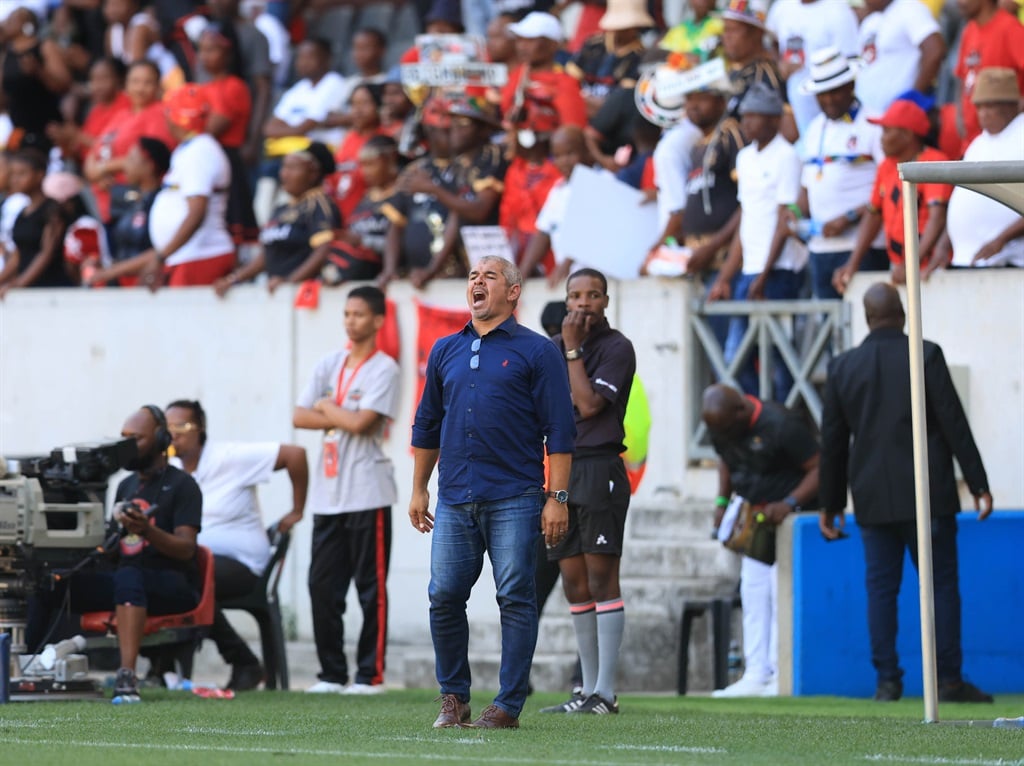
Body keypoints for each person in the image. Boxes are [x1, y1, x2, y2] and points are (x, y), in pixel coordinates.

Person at [409, 255, 576, 729]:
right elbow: (427, 424)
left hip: (517, 497)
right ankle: (453, 698)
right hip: (454, 497)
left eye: (490, 276)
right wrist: (419, 488)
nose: (477, 282)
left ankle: (507, 706)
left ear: (514, 292)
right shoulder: (445, 350)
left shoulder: (538, 351)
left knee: (516, 597)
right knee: (443, 595)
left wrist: (556, 498)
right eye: (472, 277)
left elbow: (560, 432)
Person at [819, 282, 994, 703]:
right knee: (941, 585)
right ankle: (948, 680)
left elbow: (833, 442)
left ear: (866, 317)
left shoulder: (843, 367)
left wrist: (831, 503)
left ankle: (887, 681)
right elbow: (953, 422)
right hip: (928, 492)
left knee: (881, 589)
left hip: (872, 497)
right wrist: (978, 483)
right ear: (902, 312)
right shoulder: (925, 353)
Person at [27, 405, 203, 703]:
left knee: (129, 576)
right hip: (126, 580)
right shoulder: (126, 485)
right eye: (124, 438)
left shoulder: (183, 485)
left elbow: (187, 549)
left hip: (172, 583)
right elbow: (113, 548)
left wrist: (148, 531)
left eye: (136, 438)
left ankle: (127, 675)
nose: (127, 447)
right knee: (49, 583)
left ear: (161, 440)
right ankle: (25, 668)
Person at [294, 285, 400, 695]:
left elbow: (363, 425)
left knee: (370, 588)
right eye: (346, 314)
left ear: (377, 320)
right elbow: (299, 416)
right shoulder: (329, 362)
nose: (351, 321)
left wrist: (326, 407)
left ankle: (369, 675)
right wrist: (339, 414)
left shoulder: (384, 368)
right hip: (327, 491)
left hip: (366, 490)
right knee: (321, 585)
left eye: (359, 314)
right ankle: (331, 673)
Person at [541, 268, 635, 715]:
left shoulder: (617, 348)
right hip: (562, 471)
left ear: (605, 302)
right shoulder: (553, 349)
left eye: (593, 295)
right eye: (575, 295)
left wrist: (574, 350)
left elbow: (590, 403)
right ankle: (585, 691)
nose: (583, 304)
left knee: (602, 578)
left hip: (599, 469)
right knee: (574, 581)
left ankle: (606, 692)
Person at [165, 399, 307, 691]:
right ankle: (163, 668)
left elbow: (296, 455)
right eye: (167, 428)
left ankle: (245, 663)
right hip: (196, 560)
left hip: (243, 564)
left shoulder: (230, 457)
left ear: (200, 429)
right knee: (166, 577)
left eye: (182, 426)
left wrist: (297, 510)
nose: (173, 434)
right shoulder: (171, 468)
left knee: (190, 579)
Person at [702, 383, 820, 697]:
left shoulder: (782, 425)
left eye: (728, 429)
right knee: (753, 592)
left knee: (780, 592)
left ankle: (782, 674)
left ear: (741, 411)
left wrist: (790, 503)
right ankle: (756, 672)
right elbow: (726, 461)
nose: (724, 437)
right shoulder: (723, 427)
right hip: (755, 518)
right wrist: (722, 502)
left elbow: (818, 468)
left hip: (788, 518)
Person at [710, 84, 806, 402]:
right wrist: (726, 276)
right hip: (750, 268)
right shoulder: (745, 157)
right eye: (745, 116)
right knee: (734, 355)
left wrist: (765, 274)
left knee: (780, 355)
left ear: (774, 119)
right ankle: (759, 412)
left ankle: (781, 418)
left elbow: (785, 218)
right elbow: (747, 219)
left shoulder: (787, 156)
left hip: (779, 269)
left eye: (755, 116)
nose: (747, 123)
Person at [832, 98, 951, 292]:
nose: (881, 138)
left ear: (907, 134)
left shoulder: (934, 162)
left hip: (933, 269)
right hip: (900, 267)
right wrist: (852, 263)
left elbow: (937, 218)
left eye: (887, 131)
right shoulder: (886, 166)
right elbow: (873, 214)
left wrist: (911, 264)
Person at [797, 47, 887, 300]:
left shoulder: (874, 124)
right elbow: (807, 187)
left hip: (864, 247)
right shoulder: (815, 128)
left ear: (850, 84)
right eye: (821, 94)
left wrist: (849, 217)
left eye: (835, 91)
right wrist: (793, 214)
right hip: (819, 248)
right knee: (829, 328)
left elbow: (888, 185)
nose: (828, 100)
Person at [139, 84, 236, 289]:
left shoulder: (199, 152)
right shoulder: (191, 148)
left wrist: (161, 256)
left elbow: (197, 212)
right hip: (188, 255)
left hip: (200, 254)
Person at [930, 67, 1024, 272]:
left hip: (1011, 260)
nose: (982, 114)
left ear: (1012, 105)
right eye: (979, 107)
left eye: (990, 106)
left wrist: (1001, 239)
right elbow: (963, 198)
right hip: (967, 258)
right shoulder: (978, 143)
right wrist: (943, 246)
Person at [215, 141, 340, 294]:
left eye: (292, 168)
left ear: (313, 173)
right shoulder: (281, 208)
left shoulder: (318, 204)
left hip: (306, 295)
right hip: (279, 293)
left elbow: (324, 249)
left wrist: (290, 282)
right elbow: (267, 255)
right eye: (283, 167)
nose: (284, 174)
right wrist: (233, 279)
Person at [854, 0, 945, 118]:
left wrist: (912, 99)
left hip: (897, 119)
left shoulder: (909, 8)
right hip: (866, 115)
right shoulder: (871, 20)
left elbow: (935, 51)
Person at [0, 149, 71, 299]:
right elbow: (17, 256)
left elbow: (46, 252)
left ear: (39, 175)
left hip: (52, 289)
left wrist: (19, 284)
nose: (15, 180)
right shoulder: (22, 213)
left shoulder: (52, 210)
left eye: (22, 174)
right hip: (28, 288)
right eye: (12, 174)